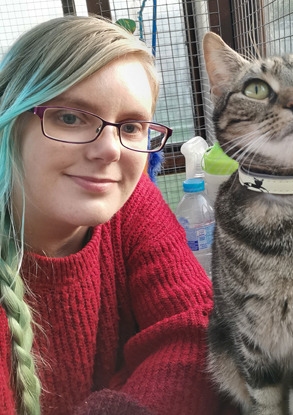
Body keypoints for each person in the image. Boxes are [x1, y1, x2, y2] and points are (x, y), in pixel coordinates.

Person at [0, 15, 233, 415]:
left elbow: (196, 326)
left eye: (131, 127)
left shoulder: (128, 200)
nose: (110, 150)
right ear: (10, 120)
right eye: (70, 117)